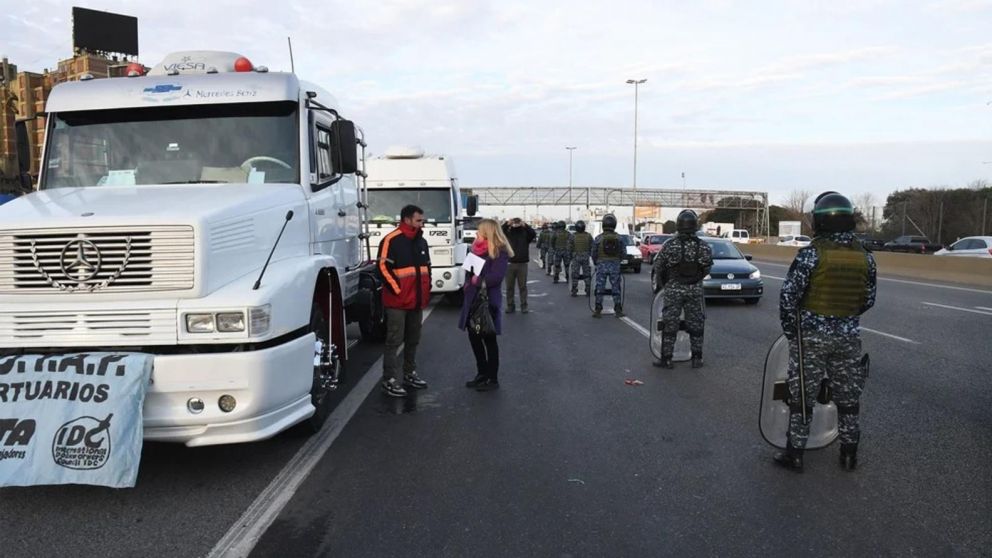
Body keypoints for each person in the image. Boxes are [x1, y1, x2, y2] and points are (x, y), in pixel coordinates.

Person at [773, 192, 877, 473]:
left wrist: (794, 333)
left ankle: (795, 454)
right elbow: (868, 299)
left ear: (819, 221)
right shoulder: (865, 257)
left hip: (811, 337)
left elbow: (788, 298)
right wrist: (843, 321)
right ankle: (848, 454)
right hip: (847, 337)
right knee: (848, 398)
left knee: (802, 398)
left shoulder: (811, 254)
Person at [377, 204, 432, 397]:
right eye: (418, 220)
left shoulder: (421, 241)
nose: (421, 223)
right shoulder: (391, 240)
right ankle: (389, 379)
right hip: (398, 303)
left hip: (416, 301)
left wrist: (427, 290)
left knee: (413, 339)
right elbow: (383, 268)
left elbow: (427, 268)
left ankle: (409, 373)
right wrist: (397, 290)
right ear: (407, 219)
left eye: (422, 220)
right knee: (394, 340)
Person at [651, 210, 713, 369]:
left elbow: (658, 267)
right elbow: (707, 268)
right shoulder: (703, 246)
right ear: (695, 226)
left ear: (679, 225)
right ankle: (697, 359)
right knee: (696, 324)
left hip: (673, 289)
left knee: (669, 324)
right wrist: (695, 280)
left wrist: (667, 283)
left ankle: (667, 359)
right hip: (694, 290)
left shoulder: (670, 245)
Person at [459, 219, 512, 391]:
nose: (476, 233)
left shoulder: (499, 251)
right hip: (472, 300)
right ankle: (481, 374)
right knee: (474, 339)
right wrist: (467, 281)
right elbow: (468, 271)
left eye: (479, 231)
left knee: (489, 339)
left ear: (487, 232)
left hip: (487, 300)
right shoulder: (475, 249)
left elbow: (496, 277)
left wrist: (478, 280)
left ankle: (492, 378)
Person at [591, 214, 625, 318]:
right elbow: (623, 253)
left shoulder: (598, 238)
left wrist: (597, 262)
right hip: (615, 265)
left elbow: (593, 253)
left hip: (601, 265)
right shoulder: (619, 238)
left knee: (600, 288)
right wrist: (618, 261)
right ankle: (618, 309)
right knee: (616, 288)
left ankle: (598, 309)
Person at [502, 217, 536, 314]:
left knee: (523, 287)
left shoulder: (525, 234)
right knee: (509, 287)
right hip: (509, 263)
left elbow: (533, 234)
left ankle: (524, 306)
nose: (516, 224)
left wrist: (525, 225)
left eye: (517, 222)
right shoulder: (507, 234)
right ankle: (510, 306)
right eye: (514, 222)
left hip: (522, 264)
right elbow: (500, 231)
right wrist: (507, 223)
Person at [568, 220, 594, 297]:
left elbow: (569, 248)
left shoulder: (573, 236)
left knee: (575, 275)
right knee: (587, 274)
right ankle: (588, 290)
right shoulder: (588, 236)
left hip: (576, 257)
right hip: (586, 257)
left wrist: (570, 257)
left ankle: (574, 291)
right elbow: (592, 246)